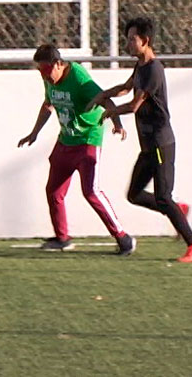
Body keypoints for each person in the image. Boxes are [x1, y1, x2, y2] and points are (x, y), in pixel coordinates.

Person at [88, 17, 192, 263]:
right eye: (127, 39)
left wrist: (110, 112)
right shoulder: (140, 66)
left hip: (161, 143)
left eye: (132, 39)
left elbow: (134, 105)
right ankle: (177, 210)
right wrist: (102, 95)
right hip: (148, 146)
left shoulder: (154, 69)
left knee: (163, 197)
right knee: (134, 194)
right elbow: (125, 88)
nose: (128, 44)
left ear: (145, 40)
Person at [18, 44, 137, 255]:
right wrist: (34, 133)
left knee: (91, 191)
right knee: (54, 191)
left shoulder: (79, 78)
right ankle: (62, 238)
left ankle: (123, 238)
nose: (44, 76)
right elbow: (48, 104)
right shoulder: (49, 79)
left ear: (58, 64)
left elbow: (106, 100)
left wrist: (117, 123)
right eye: (40, 71)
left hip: (87, 139)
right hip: (66, 140)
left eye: (46, 70)